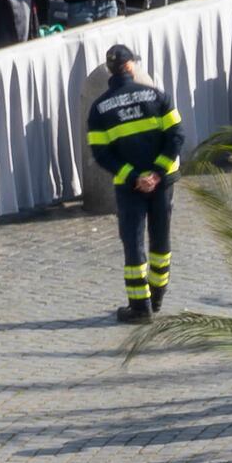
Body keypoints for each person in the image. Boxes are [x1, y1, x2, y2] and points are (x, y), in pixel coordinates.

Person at [84, 41, 186, 319]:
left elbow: (101, 153)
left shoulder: (99, 109)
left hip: (129, 186)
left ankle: (140, 307)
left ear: (110, 70)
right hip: (162, 182)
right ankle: (158, 297)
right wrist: (157, 173)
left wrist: (134, 176)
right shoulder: (158, 97)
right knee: (160, 239)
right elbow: (177, 135)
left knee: (133, 242)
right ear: (131, 66)